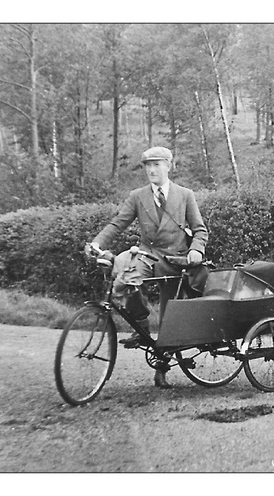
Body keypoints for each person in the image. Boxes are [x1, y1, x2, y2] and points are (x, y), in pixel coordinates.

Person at [86, 146, 209, 389]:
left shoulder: (185, 195)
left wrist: (197, 250)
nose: (151, 170)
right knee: (127, 276)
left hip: (175, 262)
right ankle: (140, 325)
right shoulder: (138, 196)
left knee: (169, 319)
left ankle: (161, 371)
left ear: (168, 166)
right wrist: (97, 243)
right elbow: (117, 223)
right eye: (147, 166)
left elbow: (200, 230)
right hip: (147, 256)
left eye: (156, 165)